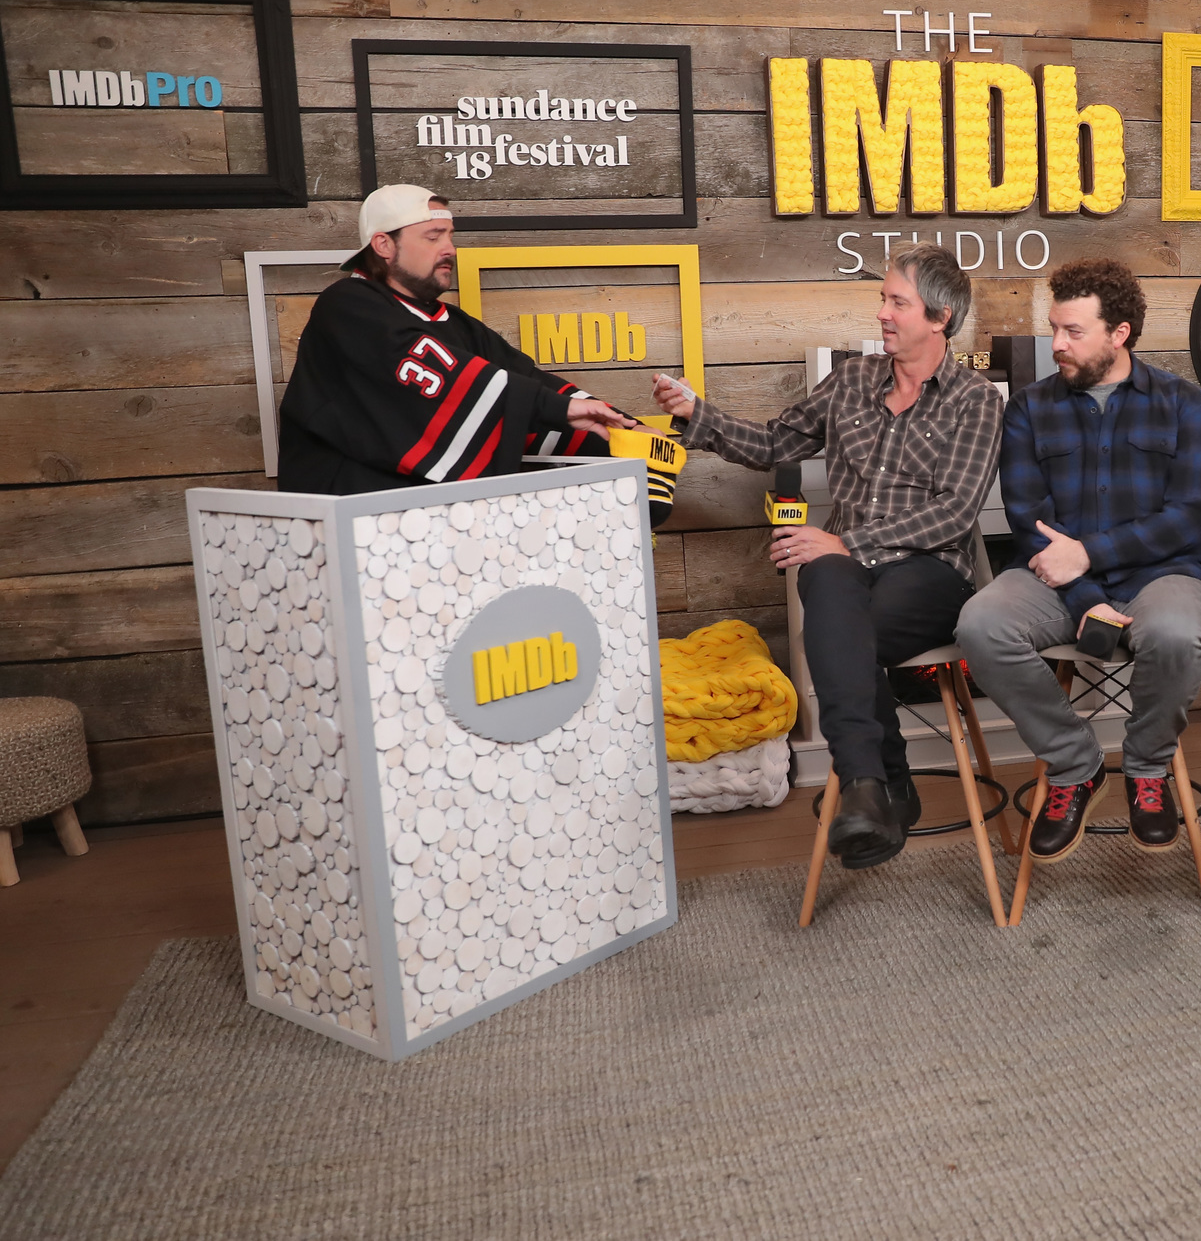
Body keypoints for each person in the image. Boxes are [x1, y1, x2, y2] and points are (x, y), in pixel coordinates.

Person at [653, 244, 1001, 872]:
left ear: (940, 317)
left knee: (833, 611)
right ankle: (871, 785)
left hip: (929, 573)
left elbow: (953, 512)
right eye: (883, 300)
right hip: (846, 577)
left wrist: (844, 542)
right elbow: (774, 442)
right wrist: (695, 414)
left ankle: (880, 782)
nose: (882, 314)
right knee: (828, 584)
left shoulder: (974, 400)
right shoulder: (851, 381)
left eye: (898, 302)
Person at [955, 258, 1201, 863]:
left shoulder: (1182, 404)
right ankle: (1075, 766)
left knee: (1179, 636)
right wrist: (1086, 598)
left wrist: (1092, 555)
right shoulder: (1028, 407)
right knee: (981, 623)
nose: (1058, 346)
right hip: (1056, 581)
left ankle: (1148, 768)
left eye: (1073, 332)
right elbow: (1028, 521)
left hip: (1162, 574)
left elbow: (1186, 518)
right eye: (1055, 329)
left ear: (1119, 333)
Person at [278, 185, 639, 495]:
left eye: (450, 236)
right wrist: (556, 410)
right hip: (353, 521)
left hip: (434, 529)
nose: (449, 248)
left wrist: (626, 431)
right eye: (433, 237)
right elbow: (449, 380)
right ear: (384, 245)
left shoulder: (457, 324)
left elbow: (527, 380)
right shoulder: (347, 306)